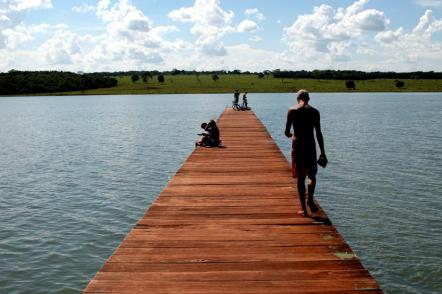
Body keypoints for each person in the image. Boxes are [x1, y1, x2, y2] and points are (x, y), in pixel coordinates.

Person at [285, 89, 327, 217]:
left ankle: (303, 208)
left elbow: (286, 132)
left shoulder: (292, 111)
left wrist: (293, 135)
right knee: (312, 176)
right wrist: (323, 152)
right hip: (311, 145)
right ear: (309, 99)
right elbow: (318, 133)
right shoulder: (315, 112)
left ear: (297, 98)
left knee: (300, 177)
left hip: (298, 146)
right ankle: (310, 200)